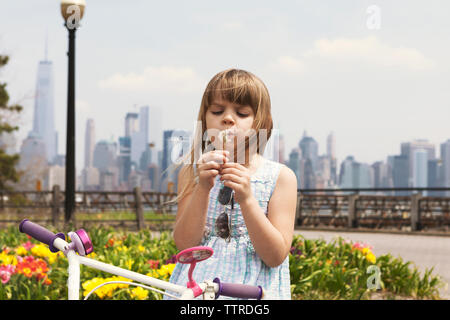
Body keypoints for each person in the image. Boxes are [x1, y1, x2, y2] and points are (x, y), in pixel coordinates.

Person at [165, 68, 297, 299]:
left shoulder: (280, 177)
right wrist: (203, 188)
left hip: (253, 292)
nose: (227, 118)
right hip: (199, 289)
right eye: (217, 110)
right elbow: (185, 244)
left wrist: (247, 199)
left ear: (260, 123)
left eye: (242, 113)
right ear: (205, 118)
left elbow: (275, 255)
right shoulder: (192, 173)